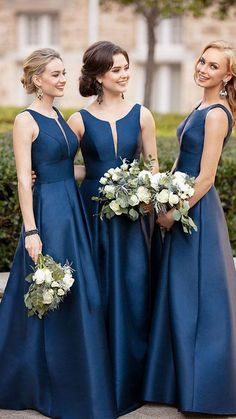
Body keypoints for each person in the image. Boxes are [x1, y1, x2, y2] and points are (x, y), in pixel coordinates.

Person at [0, 48, 116, 419]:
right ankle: (32, 381)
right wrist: (31, 230)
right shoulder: (25, 120)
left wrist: (110, 179)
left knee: (80, 293)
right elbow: (22, 177)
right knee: (46, 294)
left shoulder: (59, 115)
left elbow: (68, 169)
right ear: (37, 80)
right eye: (56, 74)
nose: (64, 79)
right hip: (48, 215)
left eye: (64, 73)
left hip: (72, 211)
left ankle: (75, 376)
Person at [68, 41, 162, 416]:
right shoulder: (78, 119)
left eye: (126, 67)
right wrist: (40, 172)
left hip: (133, 217)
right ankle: (97, 375)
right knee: (98, 292)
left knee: (134, 290)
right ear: (98, 76)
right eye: (116, 70)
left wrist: (146, 197)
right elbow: (70, 167)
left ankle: (134, 378)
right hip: (92, 213)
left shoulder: (143, 115)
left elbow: (153, 168)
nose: (124, 74)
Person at [143, 40, 236, 415]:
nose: (202, 68)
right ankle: (173, 382)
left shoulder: (216, 113)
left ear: (227, 76)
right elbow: (183, 162)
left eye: (213, 66)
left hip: (194, 214)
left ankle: (204, 392)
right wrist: (155, 189)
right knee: (177, 296)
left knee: (197, 299)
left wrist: (171, 213)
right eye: (202, 60)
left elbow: (207, 177)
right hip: (180, 206)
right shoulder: (200, 105)